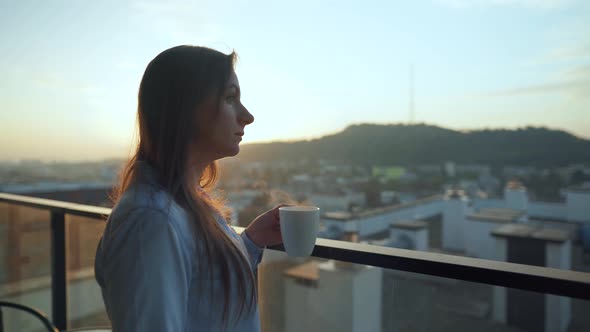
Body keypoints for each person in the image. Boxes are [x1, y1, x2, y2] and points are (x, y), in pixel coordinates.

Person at [94, 45, 284, 332]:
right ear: (185, 108)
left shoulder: (183, 201)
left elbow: (202, 288)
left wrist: (251, 242)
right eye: (230, 98)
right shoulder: (151, 220)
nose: (247, 116)